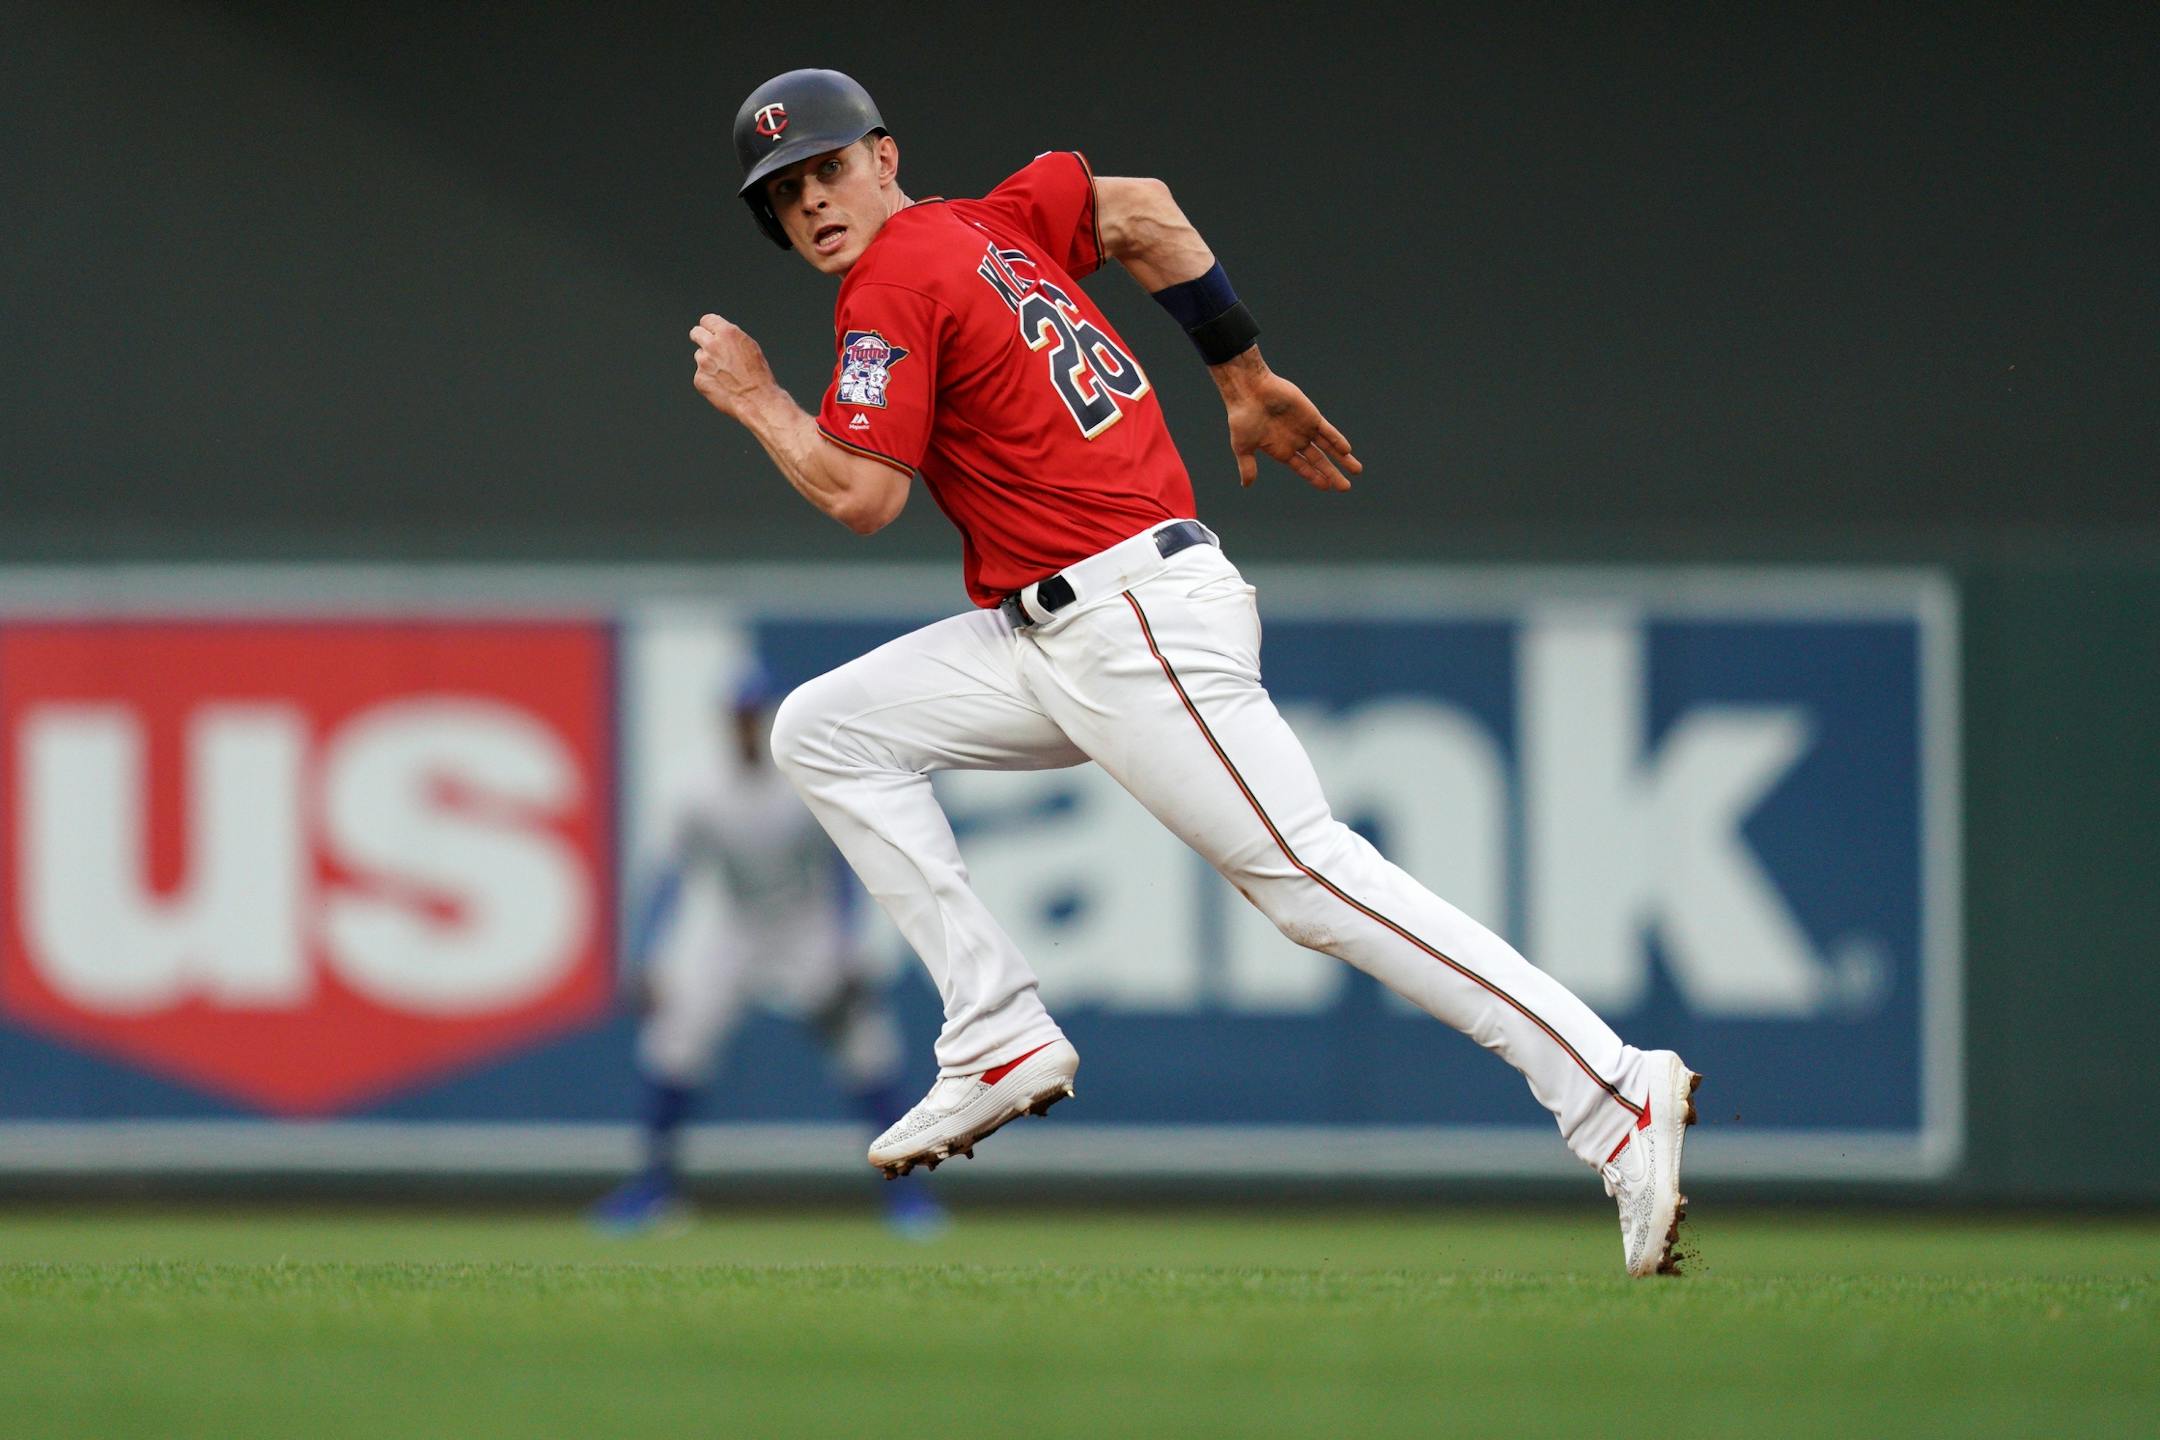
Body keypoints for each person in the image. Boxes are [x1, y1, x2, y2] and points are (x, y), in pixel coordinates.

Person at [689, 69, 1699, 1276]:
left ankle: (1611, 1090)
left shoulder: (893, 277)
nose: (811, 201)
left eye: (828, 168)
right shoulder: (994, 222)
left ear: (885, 156)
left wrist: (758, 401)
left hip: (1130, 621)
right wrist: (1240, 373)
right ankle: (997, 1032)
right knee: (825, 729)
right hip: (1056, 629)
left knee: (1312, 881)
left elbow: (862, 494)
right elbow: (1148, 213)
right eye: (784, 192)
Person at [591, 662, 946, 1239]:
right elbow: (671, 878)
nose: (747, 727)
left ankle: (909, 1196)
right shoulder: (698, 786)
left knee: (867, 1051)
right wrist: (647, 956)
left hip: (805, 925)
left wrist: (851, 949)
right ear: (725, 722)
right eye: (738, 717)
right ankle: (655, 1189)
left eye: (755, 716)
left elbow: (847, 862)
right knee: (674, 1045)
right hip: (734, 927)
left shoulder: (799, 776)